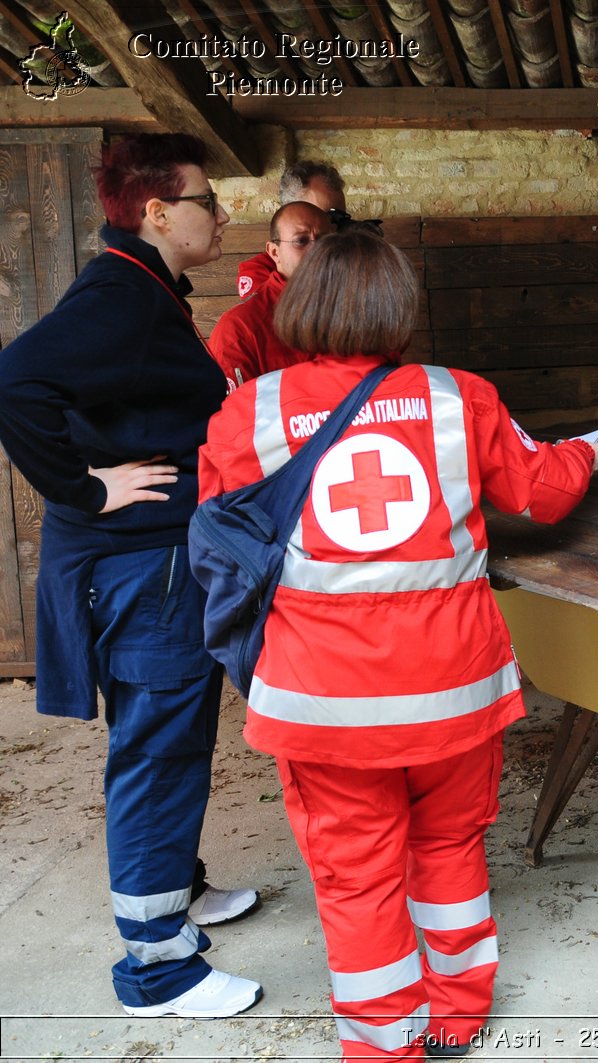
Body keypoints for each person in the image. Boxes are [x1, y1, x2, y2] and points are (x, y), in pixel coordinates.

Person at [198, 228, 598, 1060]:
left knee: (356, 878)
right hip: (453, 692)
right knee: (450, 845)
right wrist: (586, 451)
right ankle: (457, 1012)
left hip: (324, 702)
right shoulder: (460, 397)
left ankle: (387, 1043)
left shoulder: (252, 411)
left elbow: (221, 532)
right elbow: (547, 490)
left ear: (303, 305)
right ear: (399, 310)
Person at [0, 133, 263, 1018]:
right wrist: (81, 488)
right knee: (157, 750)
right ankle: (157, 968)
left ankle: (177, 893)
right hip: (139, 571)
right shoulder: (121, 294)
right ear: (156, 213)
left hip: (154, 563)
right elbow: (15, 380)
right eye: (206, 200)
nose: (220, 216)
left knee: (173, 737)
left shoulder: (143, 288)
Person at [210, 201, 334, 389]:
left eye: (325, 240)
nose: (317, 251)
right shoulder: (240, 329)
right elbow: (235, 414)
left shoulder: (355, 305)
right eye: (301, 241)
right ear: (275, 253)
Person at [237, 160, 376, 298]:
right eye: (324, 216)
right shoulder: (258, 272)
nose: (332, 228)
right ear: (289, 212)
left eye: (340, 218)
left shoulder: (349, 258)